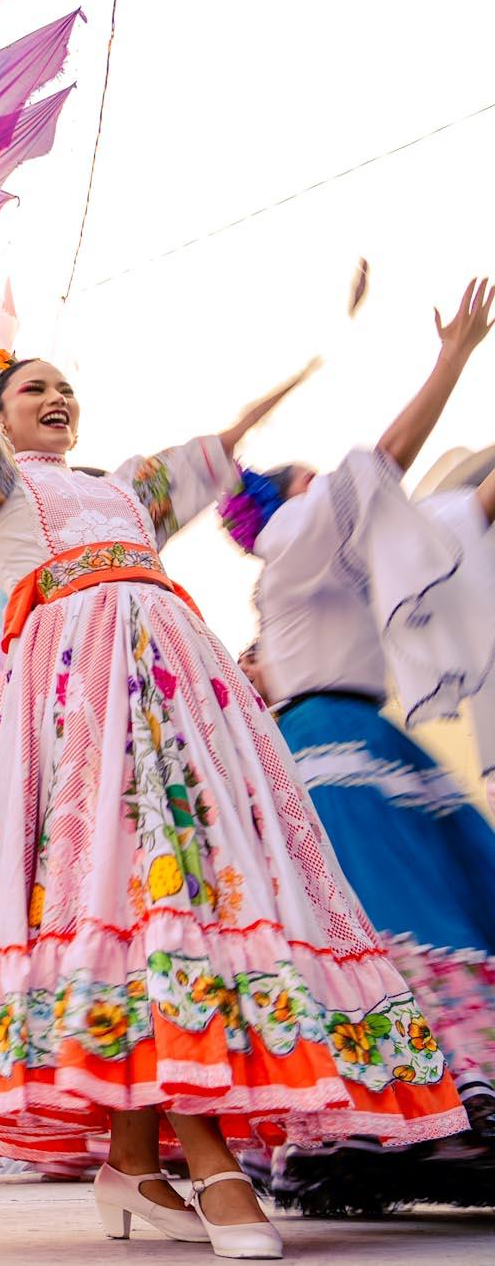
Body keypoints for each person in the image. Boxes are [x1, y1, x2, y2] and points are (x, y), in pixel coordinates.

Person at [0, 229, 468, 1261]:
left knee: (180, 894)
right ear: (1, 413)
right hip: (80, 701)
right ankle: (205, 1159)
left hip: (179, 698)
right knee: (138, 891)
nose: (55, 398)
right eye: (32, 389)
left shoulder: (128, 489)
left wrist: (328, 343)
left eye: (64, 389)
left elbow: (230, 434)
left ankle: (134, 1164)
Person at [227, 279, 495, 1214]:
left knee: (425, 908)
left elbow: (463, 514)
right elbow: (384, 463)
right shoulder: (297, 536)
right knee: (391, 912)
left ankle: (415, 1117)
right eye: (315, 479)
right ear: (287, 502)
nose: (337, 489)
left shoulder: (339, 559)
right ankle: (402, 1111)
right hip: (332, 750)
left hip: (364, 743)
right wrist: (451, 360)